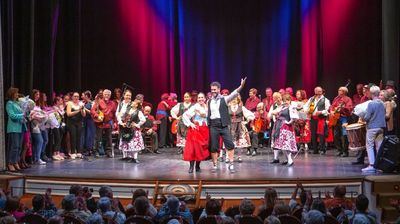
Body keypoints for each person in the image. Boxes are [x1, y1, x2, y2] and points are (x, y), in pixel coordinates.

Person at [208, 78, 246, 173]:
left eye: (215, 89)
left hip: (223, 125)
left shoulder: (224, 99)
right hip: (213, 125)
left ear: (219, 89)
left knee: (230, 144)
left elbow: (234, 93)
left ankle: (231, 164)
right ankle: (215, 165)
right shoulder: (209, 101)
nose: (213, 91)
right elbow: (207, 113)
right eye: (212, 89)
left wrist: (241, 86)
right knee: (214, 147)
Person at [359, 86, 386, 173]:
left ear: (372, 93)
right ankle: (379, 165)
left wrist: (362, 116)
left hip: (372, 127)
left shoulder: (371, 104)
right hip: (381, 127)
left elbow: (367, 117)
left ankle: (372, 165)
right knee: (379, 146)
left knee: (369, 146)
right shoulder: (382, 103)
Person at [182, 93, 209, 173]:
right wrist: (190, 124)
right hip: (196, 130)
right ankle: (191, 167)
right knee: (193, 148)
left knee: (200, 148)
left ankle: (197, 166)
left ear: (205, 98)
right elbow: (185, 115)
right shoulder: (195, 107)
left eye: (202, 97)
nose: (200, 99)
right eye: (199, 98)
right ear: (197, 99)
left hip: (204, 129)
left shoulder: (207, 107)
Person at [270, 94, 298, 166]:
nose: (286, 102)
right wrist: (276, 114)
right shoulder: (282, 107)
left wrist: (288, 122)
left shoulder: (291, 108)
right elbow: (273, 112)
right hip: (280, 126)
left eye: (287, 100)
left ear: (290, 101)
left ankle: (290, 160)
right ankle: (287, 160)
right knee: (282, 145)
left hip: (286, 128)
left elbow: (294, 117)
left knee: (286, 145)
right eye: (285, 100)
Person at [118, 98, 146, 163]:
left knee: (134, 143)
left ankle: (135, 158)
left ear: (136, 105)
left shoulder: (138, 112)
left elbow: (143, 120)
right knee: (129, 143)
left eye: (134, 102)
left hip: (133, 130)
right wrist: (123, 123)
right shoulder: (128, 110)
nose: (132, 103)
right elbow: (122, 117)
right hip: (126, 129)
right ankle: (130, 157)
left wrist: (137, 124)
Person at [304, 86, 331, 155]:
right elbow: (306, 106)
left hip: (321, 119)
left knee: (321, 134)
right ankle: (315, 149)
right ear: (315, 92)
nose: (318, 93)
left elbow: (328, 110)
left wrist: (321, 112)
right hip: (313, 119)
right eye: (317, 91)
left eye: (319, 92)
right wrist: (307, 111)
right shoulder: (311, 99)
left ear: (322, 92)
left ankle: (322, 149)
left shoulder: (325, 100)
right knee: (313, 134)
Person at [91, 89, 117, 158]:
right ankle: (95, 151)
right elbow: (93, 110)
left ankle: (108, 152)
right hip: (100, 123)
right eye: (105, 94)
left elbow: (114, 114)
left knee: (109, 138)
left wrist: (114, 122)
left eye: (108, 95)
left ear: (110, 95)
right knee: (98, 138)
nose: (107, 96)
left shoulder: (112, 103)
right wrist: (97, 116)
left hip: (108, 123)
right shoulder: (99, 102)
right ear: (103, 95)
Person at [229, 95, 255, 162]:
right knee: (229, 142)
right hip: (230, 126)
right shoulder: (227, 107)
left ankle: (239, 156)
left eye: (235, 98)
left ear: (238, 99)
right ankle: (228, 157)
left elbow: (250, 115)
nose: (234, 100)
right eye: (232, 98)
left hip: (239, 126)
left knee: (239, 142)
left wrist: (246, 121)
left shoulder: (241, 107)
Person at [5, 87, 26, 171]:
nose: (17, 94)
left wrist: (24, 116)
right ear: (12, 94)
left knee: (19, 147)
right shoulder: (9, 103)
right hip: (13, 128)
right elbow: (12, 115)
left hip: (20, 127)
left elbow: (22, 114)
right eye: (16, 93)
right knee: (15, 146)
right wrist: (22, 115)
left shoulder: (17, 103)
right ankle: (10, 163)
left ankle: (15, 162)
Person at [329, 87, 353, 157]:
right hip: (336, 118)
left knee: (344, 135)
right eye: (338, 90)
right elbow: (332, 106)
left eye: (340, 90)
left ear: (344, 92)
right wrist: (331, 111)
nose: (338, 91)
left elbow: (349, 108)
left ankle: (345, 151)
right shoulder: (336, 98)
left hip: (343, 118)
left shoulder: (348, 99)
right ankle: (339, 150)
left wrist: (342, 108)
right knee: (336, 135)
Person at [66, 92, 86, 159]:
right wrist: (78, 111)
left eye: (77, 96)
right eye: (75, 96)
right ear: (72, 97)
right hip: (72, 123)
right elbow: (68, 114)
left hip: (79, 122)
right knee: (73, 137)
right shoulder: (70, 103)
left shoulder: (81, 103)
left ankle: (79, 152)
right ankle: (72, 152)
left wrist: (82, 109)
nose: (76, 98)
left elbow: (84, 115)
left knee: (79, 137)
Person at [116, 89, 134, 160]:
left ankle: (129, 155)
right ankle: (124, 155)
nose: (128, 97)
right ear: (124, 96)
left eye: (130, 95)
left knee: (129, 139)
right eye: (127, 95)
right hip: (122, 123)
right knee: (123, 139)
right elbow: (117, 113)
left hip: (129, 124)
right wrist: (120, 122)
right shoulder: (121, 104)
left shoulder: (132, 104)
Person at [82, 91, 96, 156]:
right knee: (84, 135)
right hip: (85, 121)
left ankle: (89, 150)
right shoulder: (84, 103)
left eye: (83, 95)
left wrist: (84, 108)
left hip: (90, 121)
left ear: (86, 96)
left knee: (89, 135)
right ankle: (85, 149)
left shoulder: (92, 103)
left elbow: (92, 112)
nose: (82, 97)